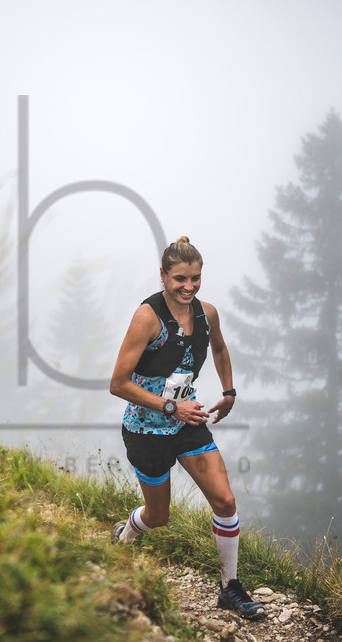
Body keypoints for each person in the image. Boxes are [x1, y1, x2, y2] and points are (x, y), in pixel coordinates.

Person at [109, 236, 263, 620]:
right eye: (180, 278)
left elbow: (220, 349)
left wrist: (228, 392)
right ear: (163, 275)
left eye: (195, 278)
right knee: (158, 517)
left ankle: (230, 588)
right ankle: (125, 535)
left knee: (225, 501)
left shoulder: (207, 313)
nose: (188, 287)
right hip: (145, 429)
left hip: (188, 424)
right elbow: (118, 383)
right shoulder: (148, 317)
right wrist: (169, 405)